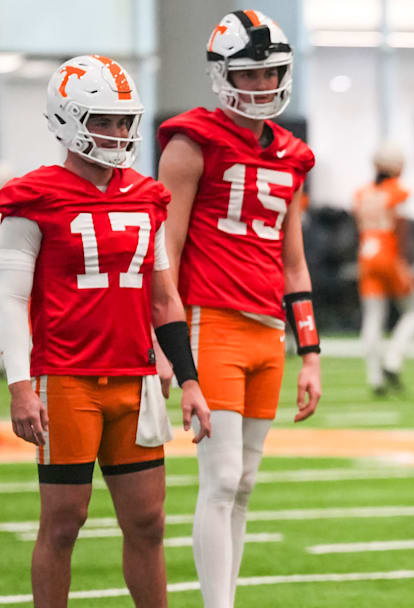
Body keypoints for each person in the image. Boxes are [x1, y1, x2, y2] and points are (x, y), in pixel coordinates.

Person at [0, 54, 211, 607]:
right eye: (102, 121)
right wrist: (21, 385)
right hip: (65, 378)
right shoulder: (32, 196)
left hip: (134, 379)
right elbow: (12, 300)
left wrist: (188, 379)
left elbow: (165, 298)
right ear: (67, 120)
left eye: (122, 121)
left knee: (148, 522)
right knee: (64, 524)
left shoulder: (147, 196)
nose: (116, 133)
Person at [157, 10, 321, 607]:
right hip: (211, 321)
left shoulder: (292, 155)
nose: (261, 86)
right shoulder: (190, 140)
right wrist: (166, 344)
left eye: (270, 73)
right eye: (249, 76)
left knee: (245, 484)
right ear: (222, 76)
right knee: (221, 478)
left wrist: (312, 354)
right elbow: (164, 252)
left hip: (268, 331)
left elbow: (295, 265)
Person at [352, 142, 414, 395]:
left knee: (373, 317)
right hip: (389, 255)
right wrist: (405, 261)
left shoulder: (362, 193)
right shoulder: (398, 192)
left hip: (366, 255)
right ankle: (393, 358)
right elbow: (402, 229)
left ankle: (374, 378)